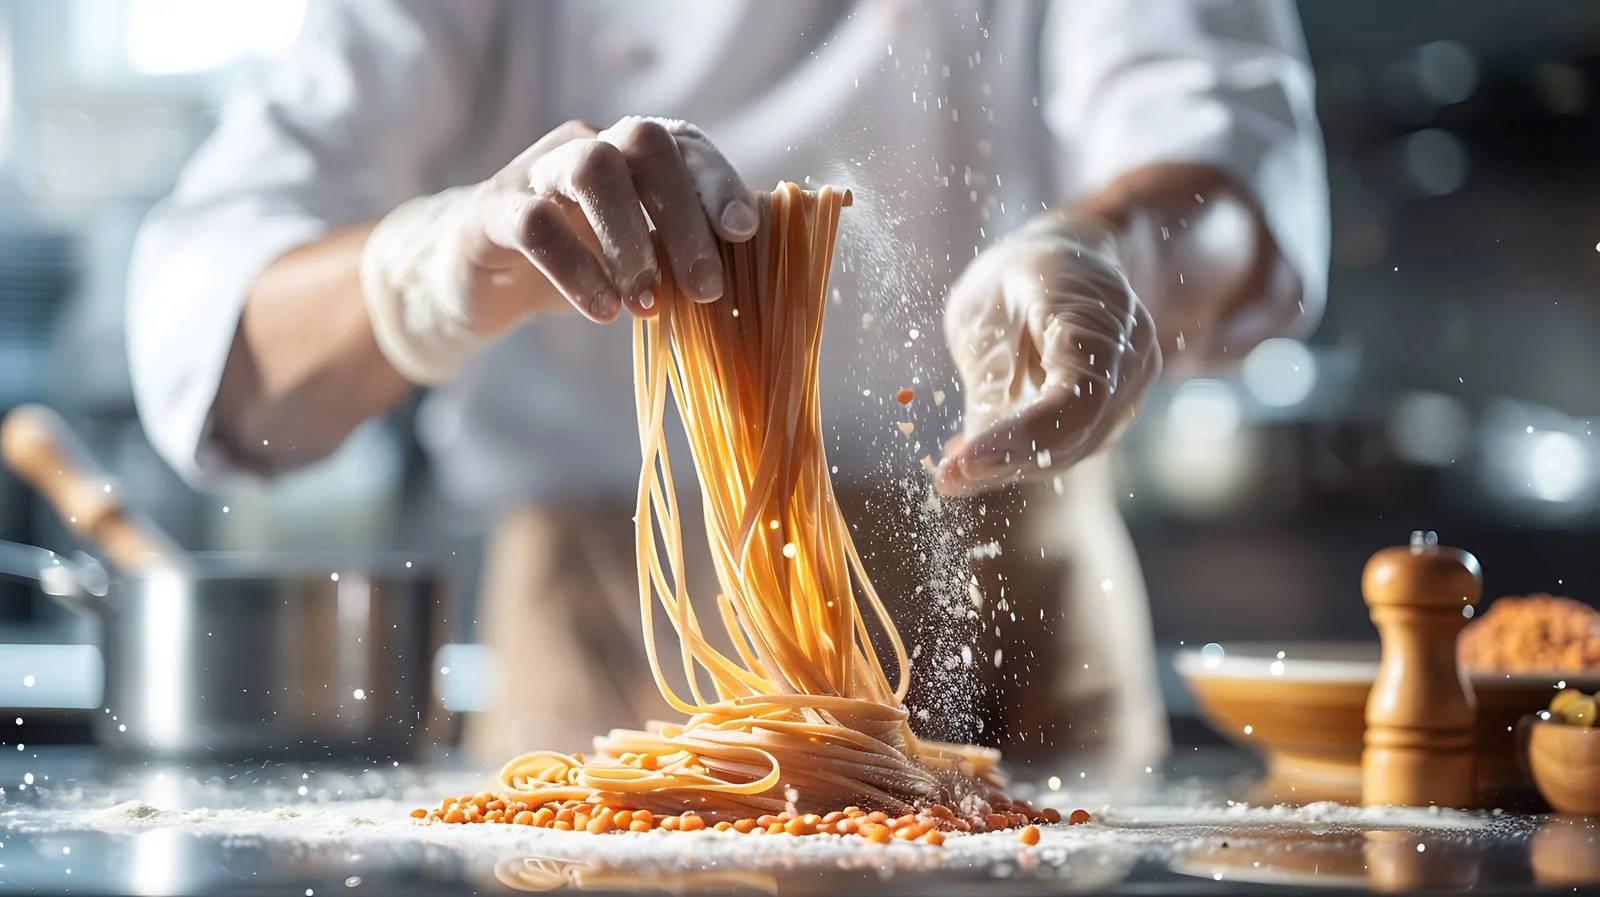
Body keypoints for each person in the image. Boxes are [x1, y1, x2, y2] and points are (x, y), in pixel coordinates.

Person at [126, 0, 1328, 775]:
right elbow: (216, 358)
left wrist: (1107, 247)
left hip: (1007, 640)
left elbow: (1236, 172)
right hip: (603, 665)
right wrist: (439, 269)